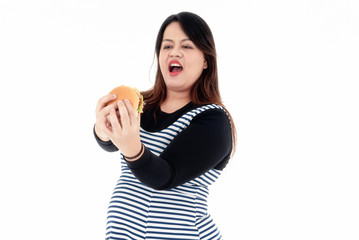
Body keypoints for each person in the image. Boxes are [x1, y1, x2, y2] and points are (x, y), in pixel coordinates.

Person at [94, 11, 237, 240]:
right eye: (167, 46)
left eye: (187, 46)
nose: (175, 52)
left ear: (206, 60)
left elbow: (165, 176)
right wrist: (103, 130)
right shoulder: (141, 102)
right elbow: (111, 143)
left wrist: (131, 147)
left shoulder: (213, 121)